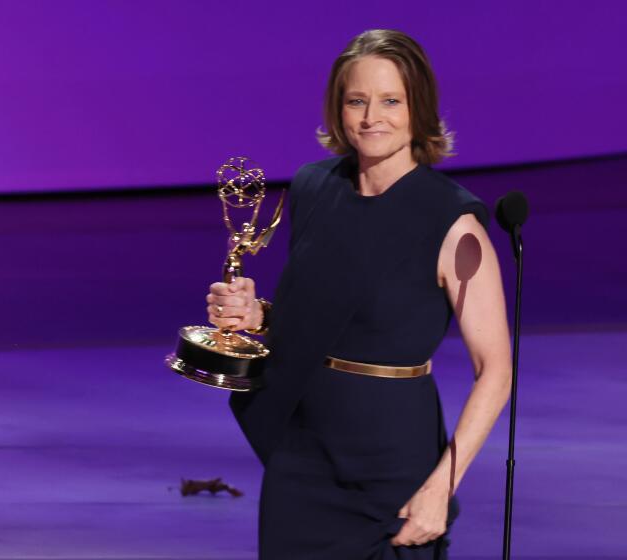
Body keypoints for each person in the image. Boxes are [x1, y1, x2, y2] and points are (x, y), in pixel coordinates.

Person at [205, 29, 512, 558]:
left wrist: (441, 487)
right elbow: (323, 312)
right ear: (338, 108)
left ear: (420, 108)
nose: (372, 117)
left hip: (392, 470)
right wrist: (255, 315)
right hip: (302, 458)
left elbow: (496, 370)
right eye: (357, 101)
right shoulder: (312, 188)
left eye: (392, 100)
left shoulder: (454, 225)